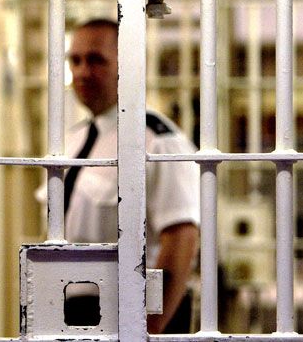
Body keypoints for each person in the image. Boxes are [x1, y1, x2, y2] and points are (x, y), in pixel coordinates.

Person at [38, 19, 200, 334]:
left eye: (96, 60)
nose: (83, 72)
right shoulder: (72, 141)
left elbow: (181, 237)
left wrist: (147, 326)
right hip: (69, 309)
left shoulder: (156, 140)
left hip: (129, 312)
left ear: (126, 66)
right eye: (76, 60)